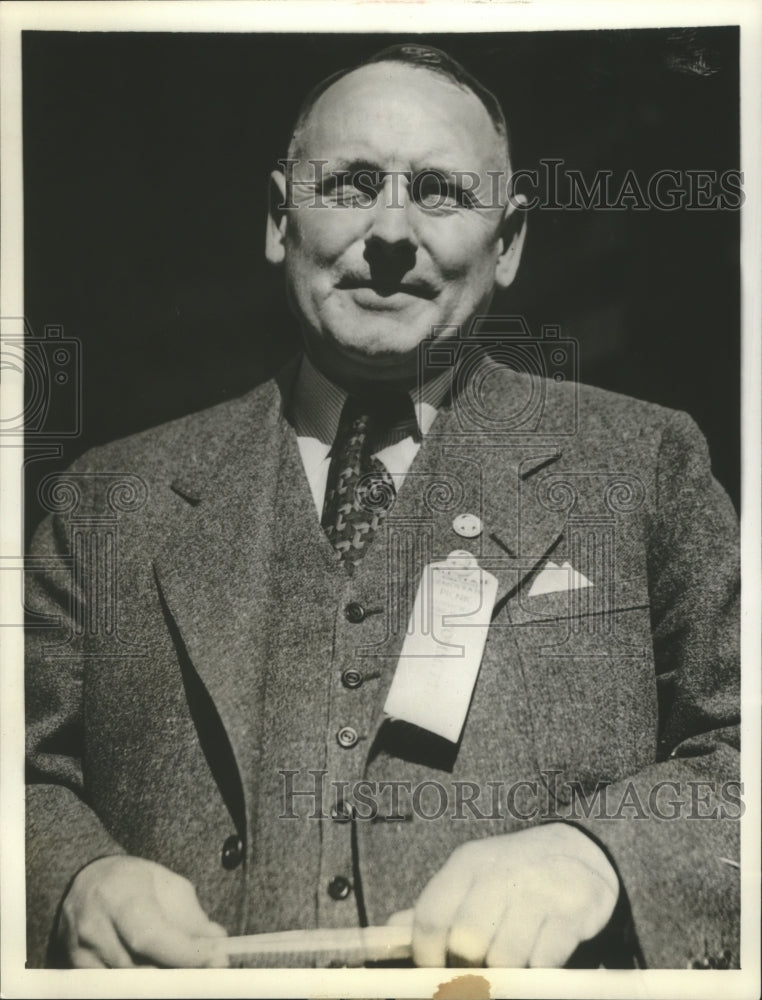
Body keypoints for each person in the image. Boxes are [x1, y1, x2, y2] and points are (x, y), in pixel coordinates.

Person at [25, 43, 740, 971]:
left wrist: (600, 855)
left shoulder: (644, 464)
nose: (392, 231)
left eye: (440, 191)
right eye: (353, 183)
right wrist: (71, 877)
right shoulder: (105, 503)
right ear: (281, 219)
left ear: (510, 240)